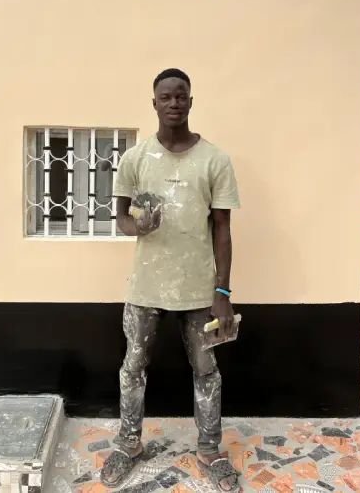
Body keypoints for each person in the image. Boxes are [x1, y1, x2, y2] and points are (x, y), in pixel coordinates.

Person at [101, 68, 240, 492]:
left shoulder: (214, 160)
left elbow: (222, 229)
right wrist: (135, 226)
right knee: (133, 366)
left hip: (199, 289)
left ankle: (210, 449)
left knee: (206, 370)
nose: (174, 103)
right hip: (146, 287)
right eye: (166, 96)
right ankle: (128, 444)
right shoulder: (136, 159)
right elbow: (121, 217)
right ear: (155, 103)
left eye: (182, 96)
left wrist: (222, 291)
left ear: (191, 102)